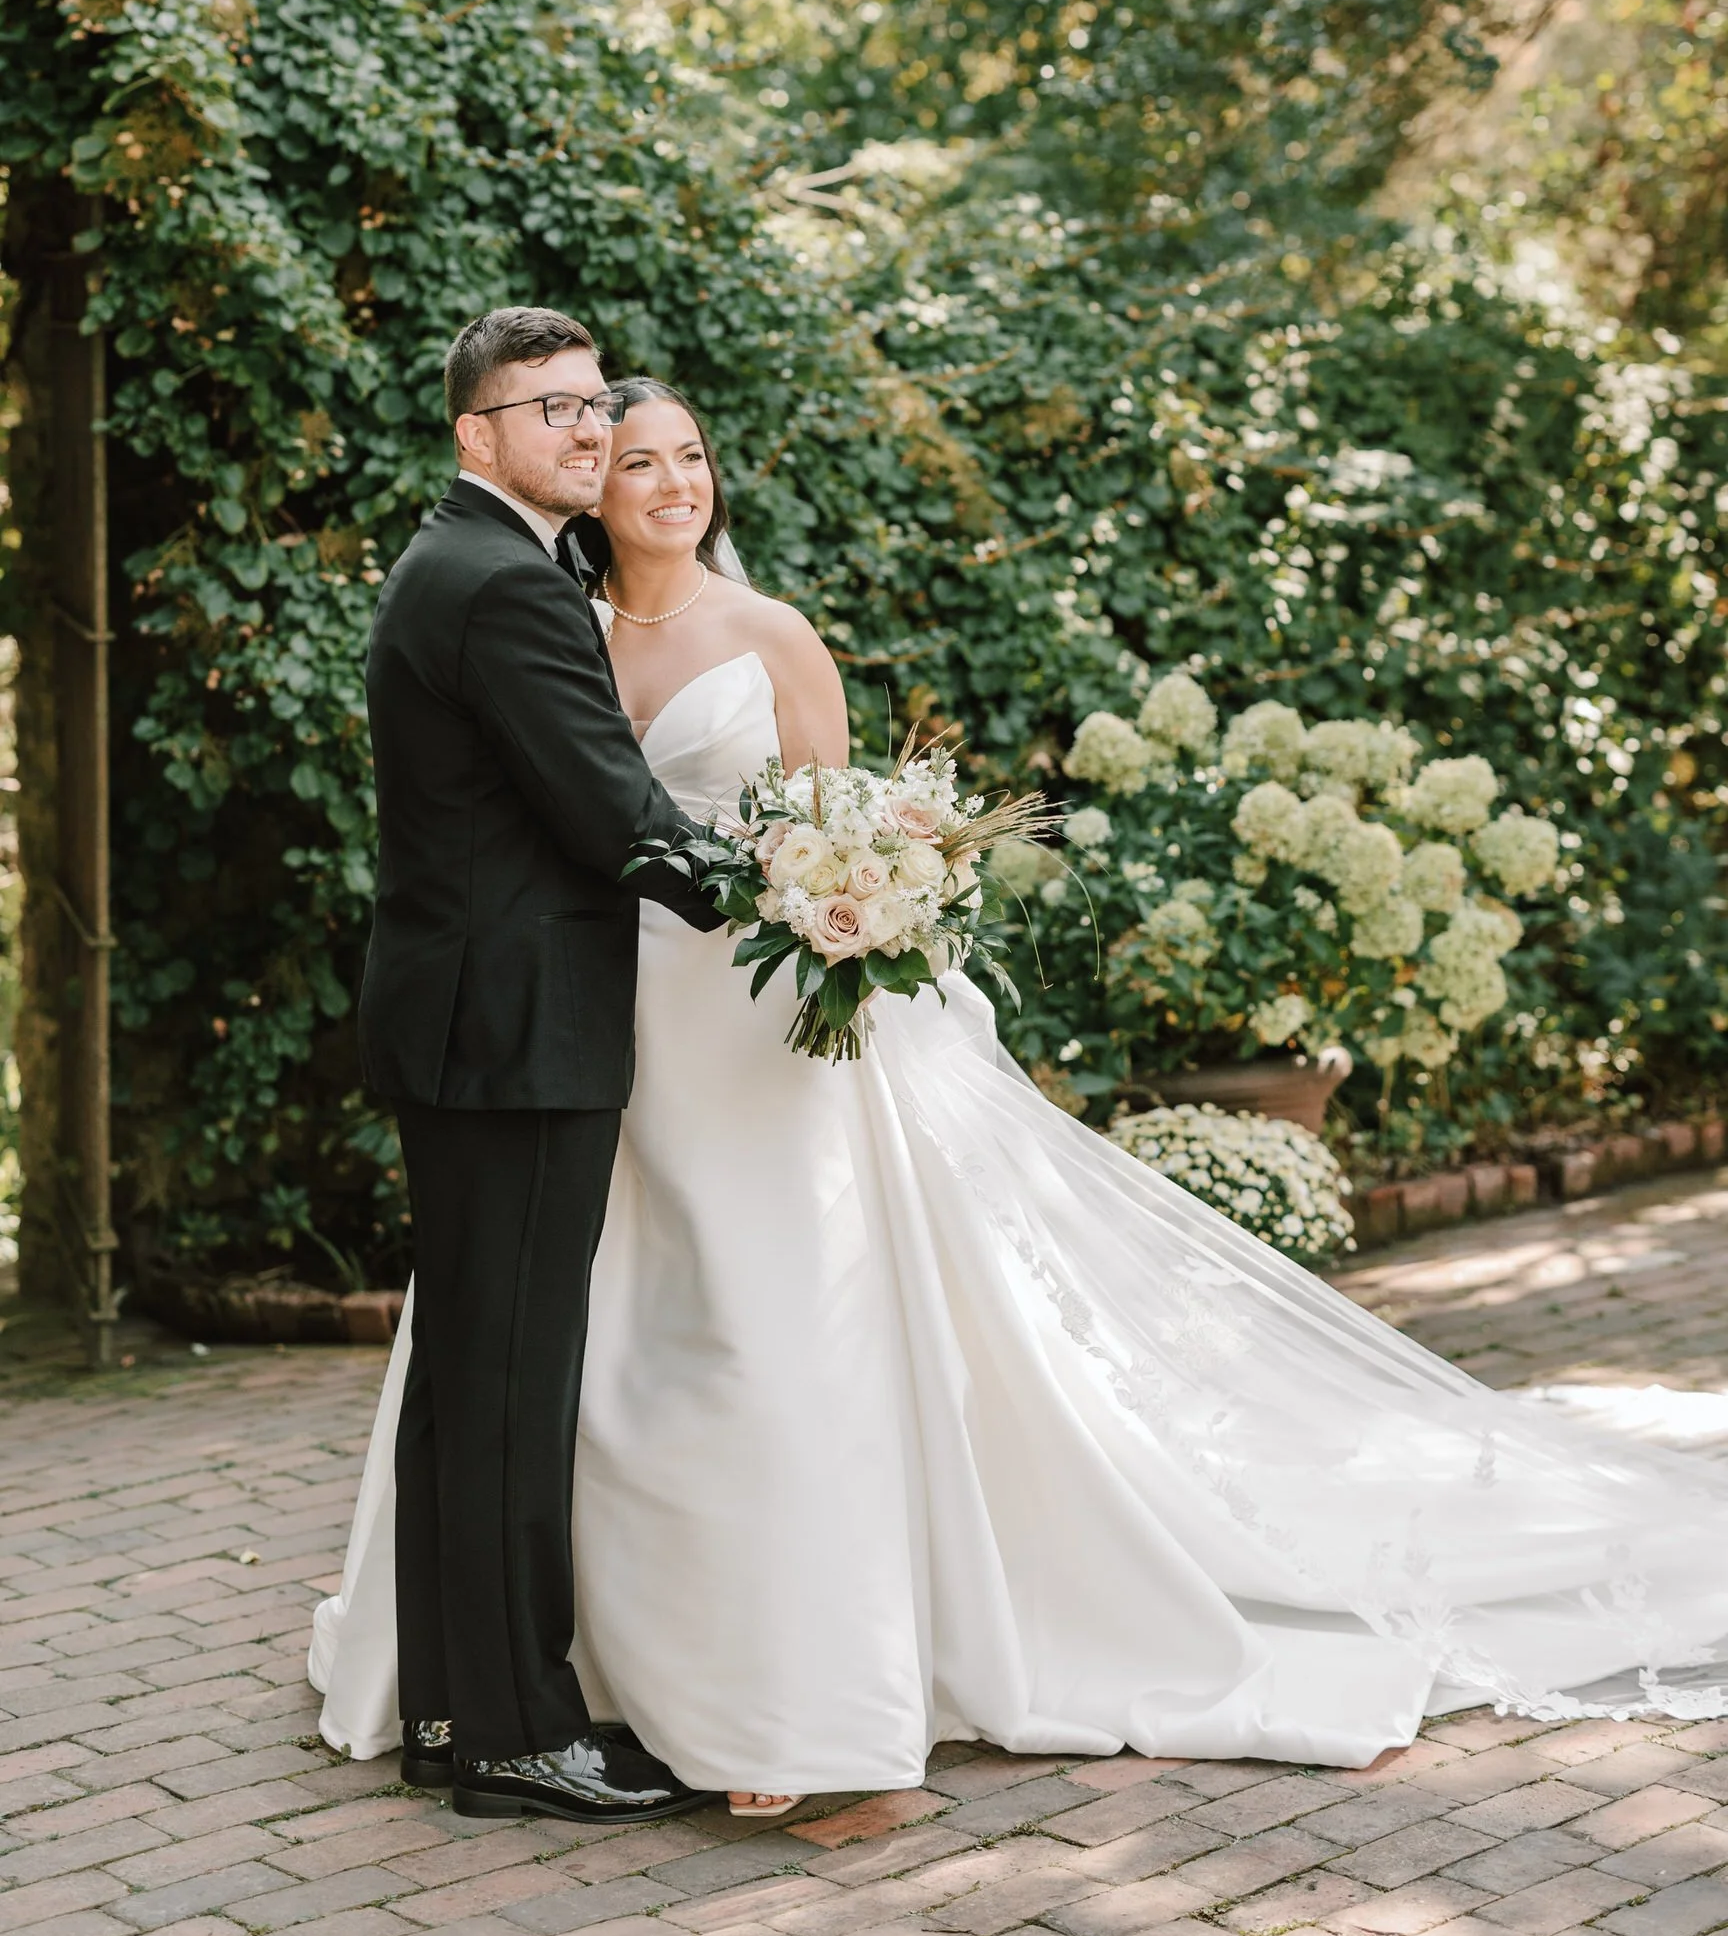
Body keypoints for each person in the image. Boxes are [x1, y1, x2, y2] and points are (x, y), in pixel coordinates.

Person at [316, 376, 1728, 1810]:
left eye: (690, 455)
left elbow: (829, 810)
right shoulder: (550, 617)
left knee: (757, 1329)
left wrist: (843, 892)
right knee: (589, 1359)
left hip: (739, 1024)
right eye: (632, 459)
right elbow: (585, 820)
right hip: (591, 1023)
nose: (670, 482)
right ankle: (567, 1684)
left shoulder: (767, 635)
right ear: (582, 482)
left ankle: (747, 1673)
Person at [354, 313, 725, 1827]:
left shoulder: (467, 563)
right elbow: (610, 812)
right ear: (475, 434)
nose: (585, 430)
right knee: (511, 1388)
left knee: (465, 1383)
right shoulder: (503, 584)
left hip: (469, 1026)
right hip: (515, 1037)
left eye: (594, 403)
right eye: (551, 409)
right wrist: (807, 900)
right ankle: (519, 1734)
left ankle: (453, 1704)